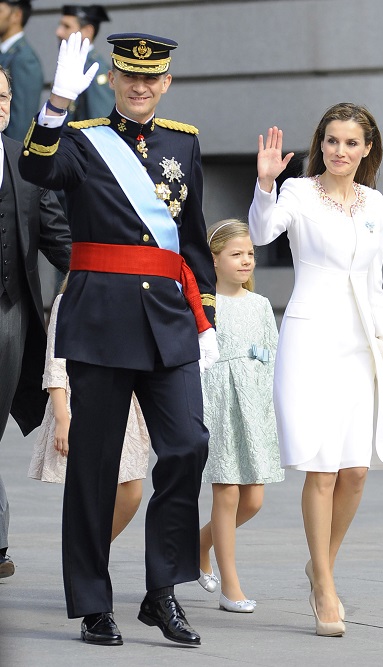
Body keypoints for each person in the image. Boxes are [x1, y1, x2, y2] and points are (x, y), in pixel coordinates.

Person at [19, 31, 218, 647]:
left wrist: (206, 313)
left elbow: (191, 235)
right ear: (112, 78)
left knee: (187, 446)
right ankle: (93, 603)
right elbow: (36, 166)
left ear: (166, 82)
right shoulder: (80, 141)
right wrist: (55, 105)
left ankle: (161, 593)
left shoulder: (183, 143)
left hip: (168, 322)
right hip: (101, 322)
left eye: (151, 77)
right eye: (129, 75)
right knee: (95, 469)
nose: (140, 86)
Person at [248, 103, 383, 637]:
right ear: (322, 145)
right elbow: (263, 233)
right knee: (323, 467)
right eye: (332, 141)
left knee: (357, 470)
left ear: (367, 149)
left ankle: (321, 566)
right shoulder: (297, 192)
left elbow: (375, 280)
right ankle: (325, 590)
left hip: (360, 341)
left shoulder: (374, 202)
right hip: (311, 336)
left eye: (351, 143)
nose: (340, 151)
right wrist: (266, 184)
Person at [0, 64, 70, 579]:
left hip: (11, 317)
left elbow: (59, 240)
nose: (2, 104)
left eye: (4, 96)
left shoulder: (27, 167)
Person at [198, 219, 284, 613]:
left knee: (253, 500)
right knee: (227, 492)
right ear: (214, 260)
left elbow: (273, 355)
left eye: (250, 253)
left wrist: (269, 407)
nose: (246, 260)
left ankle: (199, 544)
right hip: (217, 402)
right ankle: (230, 585)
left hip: (254, 405)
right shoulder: (202, 301)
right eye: (235, 254)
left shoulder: (261, 305)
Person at [28, 279, 150, 542]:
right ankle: (85, 565)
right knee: (90, 492)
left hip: (123, 399)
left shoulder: (132, 295)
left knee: (131, 490)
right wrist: (62, 418)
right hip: (80, 401)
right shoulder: (67, 300)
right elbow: (55, 361)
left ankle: (88, 556)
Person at [56, 5, 114, 121]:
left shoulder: (94, 69)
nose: (58, 32)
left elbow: (99, 123)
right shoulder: (74, 64)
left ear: (88, 31)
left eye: (67, 27)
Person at [0, 0, 43, 141]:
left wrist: (11, 159)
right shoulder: (6, 52)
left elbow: (21, 122)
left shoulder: (24, 58)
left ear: (16, 15)